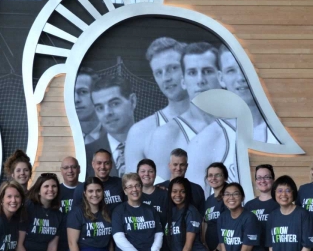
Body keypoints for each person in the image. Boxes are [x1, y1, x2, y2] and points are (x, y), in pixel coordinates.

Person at [148, 42, 221, 180]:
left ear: (221, 77)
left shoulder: (240, 124)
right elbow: (156, 197)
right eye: (192, 73)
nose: (200, 80)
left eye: (207, 71)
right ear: (183, 81)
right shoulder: (165, 135)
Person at [125, 37, 190, 172]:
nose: (166, 78)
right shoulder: (139, 132)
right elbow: (132, 190)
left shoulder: (216, 119)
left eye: (173, 68)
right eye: (159, 72)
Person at [218, 44, 278, 144]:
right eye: (231, 71)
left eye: (247, 68)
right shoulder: (212, 138)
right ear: (221, 78)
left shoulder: (286, 127)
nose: (241, 78)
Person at [85, 76, 137, 177]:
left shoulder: (155, 143)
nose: (107, 113)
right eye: (100, 108)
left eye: (114, 103)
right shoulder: (87, 154)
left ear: (132, 101)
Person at [75, 68, 104, 144]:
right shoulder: (58, 138)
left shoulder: (116, 135)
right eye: (70, 93)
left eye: (82, 92)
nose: (76, 99)